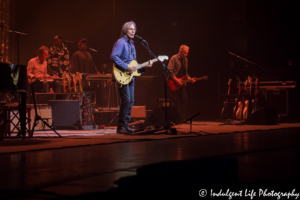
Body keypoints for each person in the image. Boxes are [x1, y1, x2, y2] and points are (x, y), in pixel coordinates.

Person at [110, 21, 152, 134]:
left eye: (134, 29)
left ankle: (126, 125)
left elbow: (133, 64)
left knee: (131, 101)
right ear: (124, 31)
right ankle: (121, 127)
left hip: (130, 76)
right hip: (122, 74)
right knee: (126, 100)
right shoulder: (121, 42)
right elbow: (113, 56)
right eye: (130, 29)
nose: (133, 31)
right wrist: (125, 67)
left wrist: (143, 67)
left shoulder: (132, 44)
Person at [167, 45, 195, 121]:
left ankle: (182, 118)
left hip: (182, 83)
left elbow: (185, 72)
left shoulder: (186, 60)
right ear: (181, 52)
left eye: (187, 53)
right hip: (173, 82)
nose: (186, 55)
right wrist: (176, 80)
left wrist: (189, 78)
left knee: (184, 99)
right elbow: (169, 71)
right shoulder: (174, 58)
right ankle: (173, 119)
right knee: (174, 102)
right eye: (185, 53)